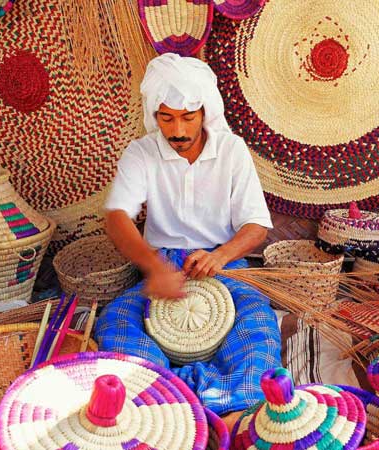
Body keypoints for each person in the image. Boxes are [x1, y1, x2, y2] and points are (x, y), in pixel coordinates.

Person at [94, 53, 281, 429]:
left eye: (187, 117)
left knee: (259, 328)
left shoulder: (231, 151)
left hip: (226, 267)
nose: (177, 129)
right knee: (115, 324)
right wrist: (153, 267)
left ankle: (202, 407)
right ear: (154, 115)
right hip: (162, 265)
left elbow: (257, 225)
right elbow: (117, 218)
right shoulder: (142, 153)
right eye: (166, 118)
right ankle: (168, 402)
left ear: (205, 112)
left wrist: (222, 255)